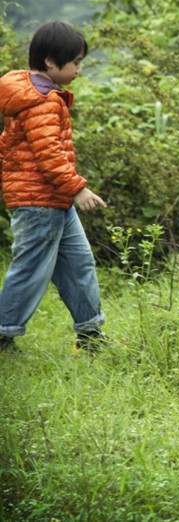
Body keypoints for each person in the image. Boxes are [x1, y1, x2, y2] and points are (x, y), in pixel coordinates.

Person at [0, 20, 108, 354]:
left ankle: (90, 334)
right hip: (38, 202)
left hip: (55, 200)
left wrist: (68, 193)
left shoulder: (38, 93)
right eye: (75, 62)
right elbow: (49, 155)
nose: (78, 69)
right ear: (50, 61)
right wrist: (78, 188)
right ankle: (3, 332)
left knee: (78, 265)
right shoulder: (42, 101)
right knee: (31, 269)